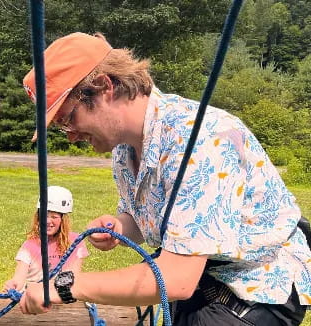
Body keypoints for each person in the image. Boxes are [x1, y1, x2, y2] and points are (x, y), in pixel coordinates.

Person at [19, 32, 311, 325]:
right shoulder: (125, 149)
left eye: (68, 118)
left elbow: (177, 278)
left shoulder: (199, 139)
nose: (69, 135)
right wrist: (120, 226)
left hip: (256, 291)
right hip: (207, 284)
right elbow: (150, 221)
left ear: (105, 87)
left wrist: (66, 285)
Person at [4, 186, 89, 292]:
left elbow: (74, 277)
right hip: (35, 297)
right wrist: (13, 284)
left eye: (54, 217)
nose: (48, 221)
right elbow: (19, 278)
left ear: (63, 220)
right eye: (44, 216)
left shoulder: (75, 242)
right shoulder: (29, 246)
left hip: (62, 297)